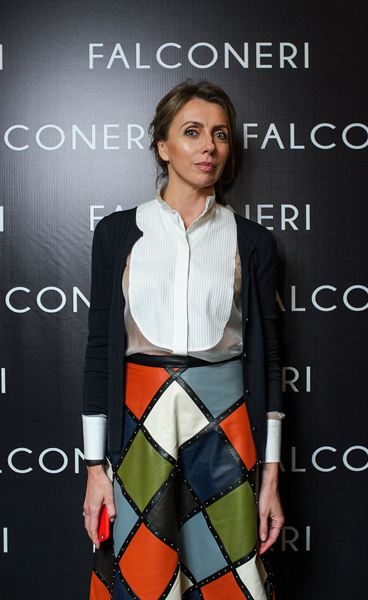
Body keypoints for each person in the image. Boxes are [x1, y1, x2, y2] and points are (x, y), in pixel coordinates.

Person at [82, 80, 285, 600]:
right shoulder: (117, 233)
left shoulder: (253, 241)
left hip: (227, 429)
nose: (208, 146)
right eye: (192, 132)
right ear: (163, 146)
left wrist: (270, 478)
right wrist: (94, 469)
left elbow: (268, 362)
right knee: (142, 575)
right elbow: (101, 355)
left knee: (227, 577)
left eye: (220, 134)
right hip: (138, 426)